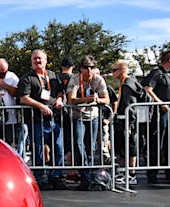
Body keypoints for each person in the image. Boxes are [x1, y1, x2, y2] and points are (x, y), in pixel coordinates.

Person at [18, 49, 66, 189]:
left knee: (58, 148)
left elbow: (60, 91)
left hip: (53, 119)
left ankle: (56, 176)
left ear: (46, 60)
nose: (37, 61)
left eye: (40, 59)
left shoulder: (52, 75)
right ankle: (40, 178)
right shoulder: (27, 78)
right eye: (35, 59)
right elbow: (23, 98)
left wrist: (59, 99)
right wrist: (39, 106)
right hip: (36, 120)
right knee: (38, 149)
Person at [142, 50, 170, 183]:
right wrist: (160, 103)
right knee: (157, 142)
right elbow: (148, 88)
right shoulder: (157, 73)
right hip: (160, 112)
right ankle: (152, 172)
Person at [66, 55, 109, 189]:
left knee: (91, 145)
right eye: (86, 67)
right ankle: (85, 173)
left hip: (93, 116)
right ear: (81, 69)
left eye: (92, 67)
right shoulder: (74, 79)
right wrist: (85, 99)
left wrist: (97, 99)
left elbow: (106, 99)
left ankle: (89, 174)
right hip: (77, 116)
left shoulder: (98, 79)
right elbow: (71, 99)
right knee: (79, 145)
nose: (89, 70)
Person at [111, 60, 144, 185]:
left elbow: (130, 106)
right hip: (124, 120)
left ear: (123, 70)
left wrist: (129, 125)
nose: (113, 73)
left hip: (128, 122)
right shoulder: (126, 83)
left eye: (115, 70)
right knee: (123, 147)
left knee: (129, 146)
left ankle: (131, 174)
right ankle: (126, 172)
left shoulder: (127, 85)